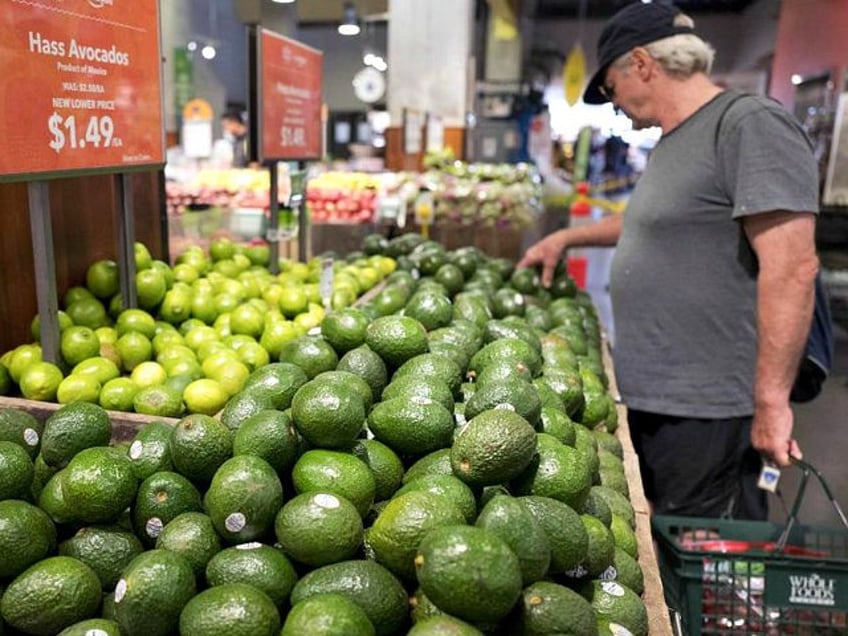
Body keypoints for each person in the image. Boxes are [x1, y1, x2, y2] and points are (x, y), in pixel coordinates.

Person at [518, 1, 819, 520]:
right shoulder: (676, 139)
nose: (614, 107)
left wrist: (772, 402)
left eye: (610, 90)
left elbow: (793, 266)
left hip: (709, 409)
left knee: (706, 560)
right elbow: (652, 221)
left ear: (641, 63)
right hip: (663, 398)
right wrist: (567, 237)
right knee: (667, 546)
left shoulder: (748, 125)